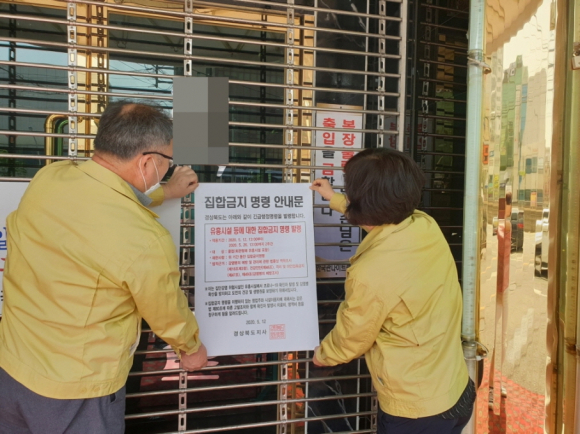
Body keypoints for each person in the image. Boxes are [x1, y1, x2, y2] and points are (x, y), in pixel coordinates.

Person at [0, 101, 207, 434]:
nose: (167, 168)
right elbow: (165, 309)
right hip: (76, 388)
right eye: (168, 162)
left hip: (12, 367)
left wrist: (166, 191)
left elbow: (108, 194)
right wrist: (191, 348)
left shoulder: (50, 177)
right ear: (148, 162)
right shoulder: (143, 237)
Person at [310, 147, 475, 434]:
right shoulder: (423, 224)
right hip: (456, 389)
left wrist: (322, 356)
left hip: (417, 412)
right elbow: (381, 219)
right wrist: (333, 198)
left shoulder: (370, 273)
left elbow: (353, 337)